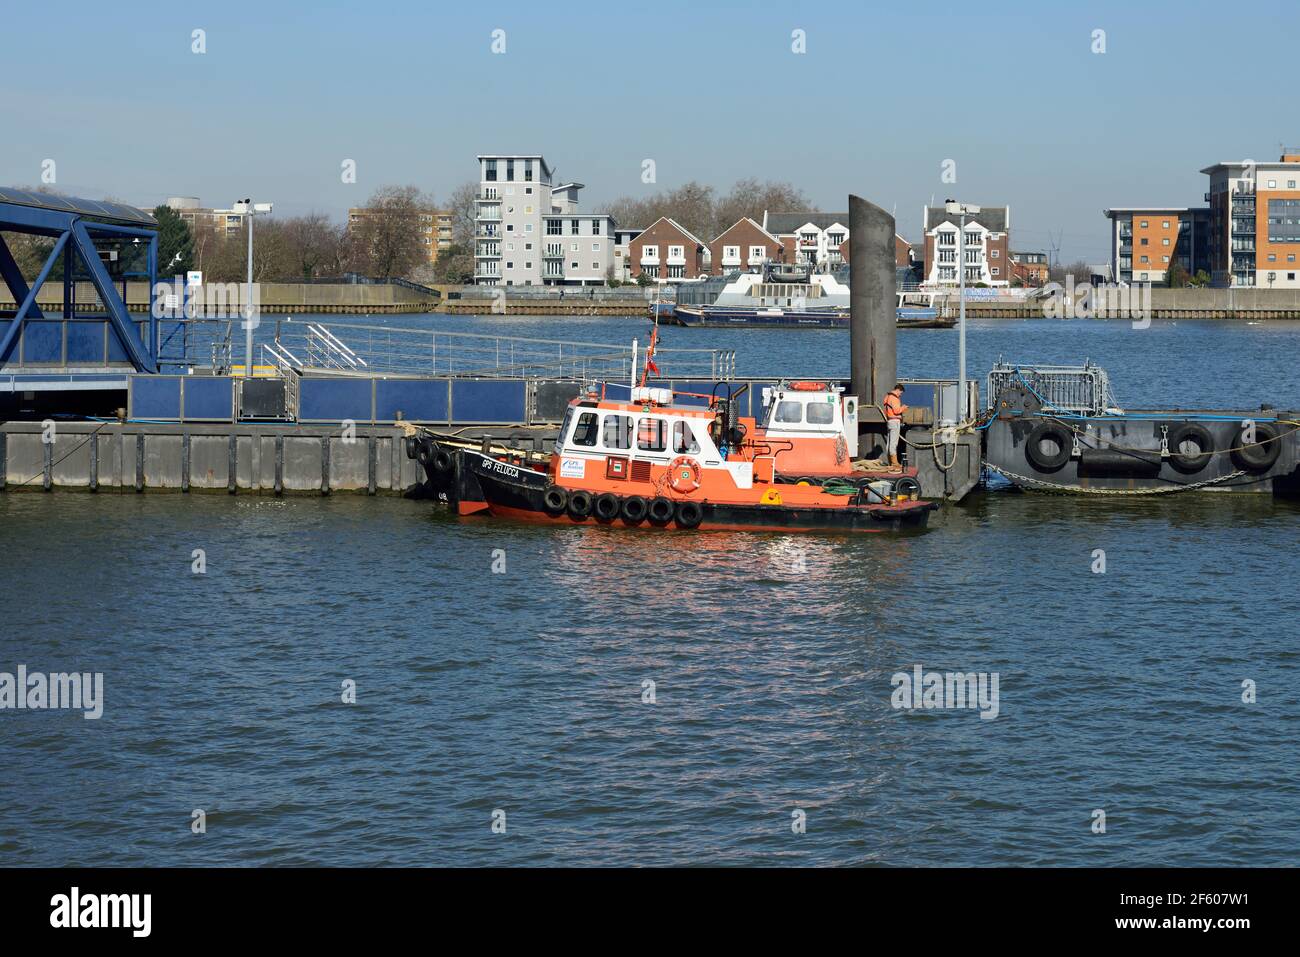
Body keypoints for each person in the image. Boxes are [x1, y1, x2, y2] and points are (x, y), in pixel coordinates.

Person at [883, 384, 908, 472]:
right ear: (898, 390)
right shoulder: (894, 398)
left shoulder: (888, 397)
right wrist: (904, 408)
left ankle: (890, 462)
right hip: (894, 422)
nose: (900, 395)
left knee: (889, 443)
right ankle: (894, 464)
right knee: (893, 443)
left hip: (889, 421)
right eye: (901, 393)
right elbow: (897, 411)